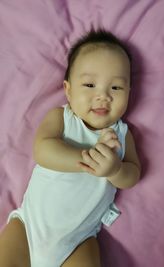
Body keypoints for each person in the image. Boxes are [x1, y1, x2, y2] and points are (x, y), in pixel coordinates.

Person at [0, 28, 141, 267]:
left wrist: (115, 170)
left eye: (115, 88)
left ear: (129, 93)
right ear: (68, 90)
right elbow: (43, 150)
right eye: (89, 84)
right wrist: (87, 158)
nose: (102, 96)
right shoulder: (62, 118)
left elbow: (133, 175)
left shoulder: (121, 135)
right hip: (29, 227)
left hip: (80, 240)